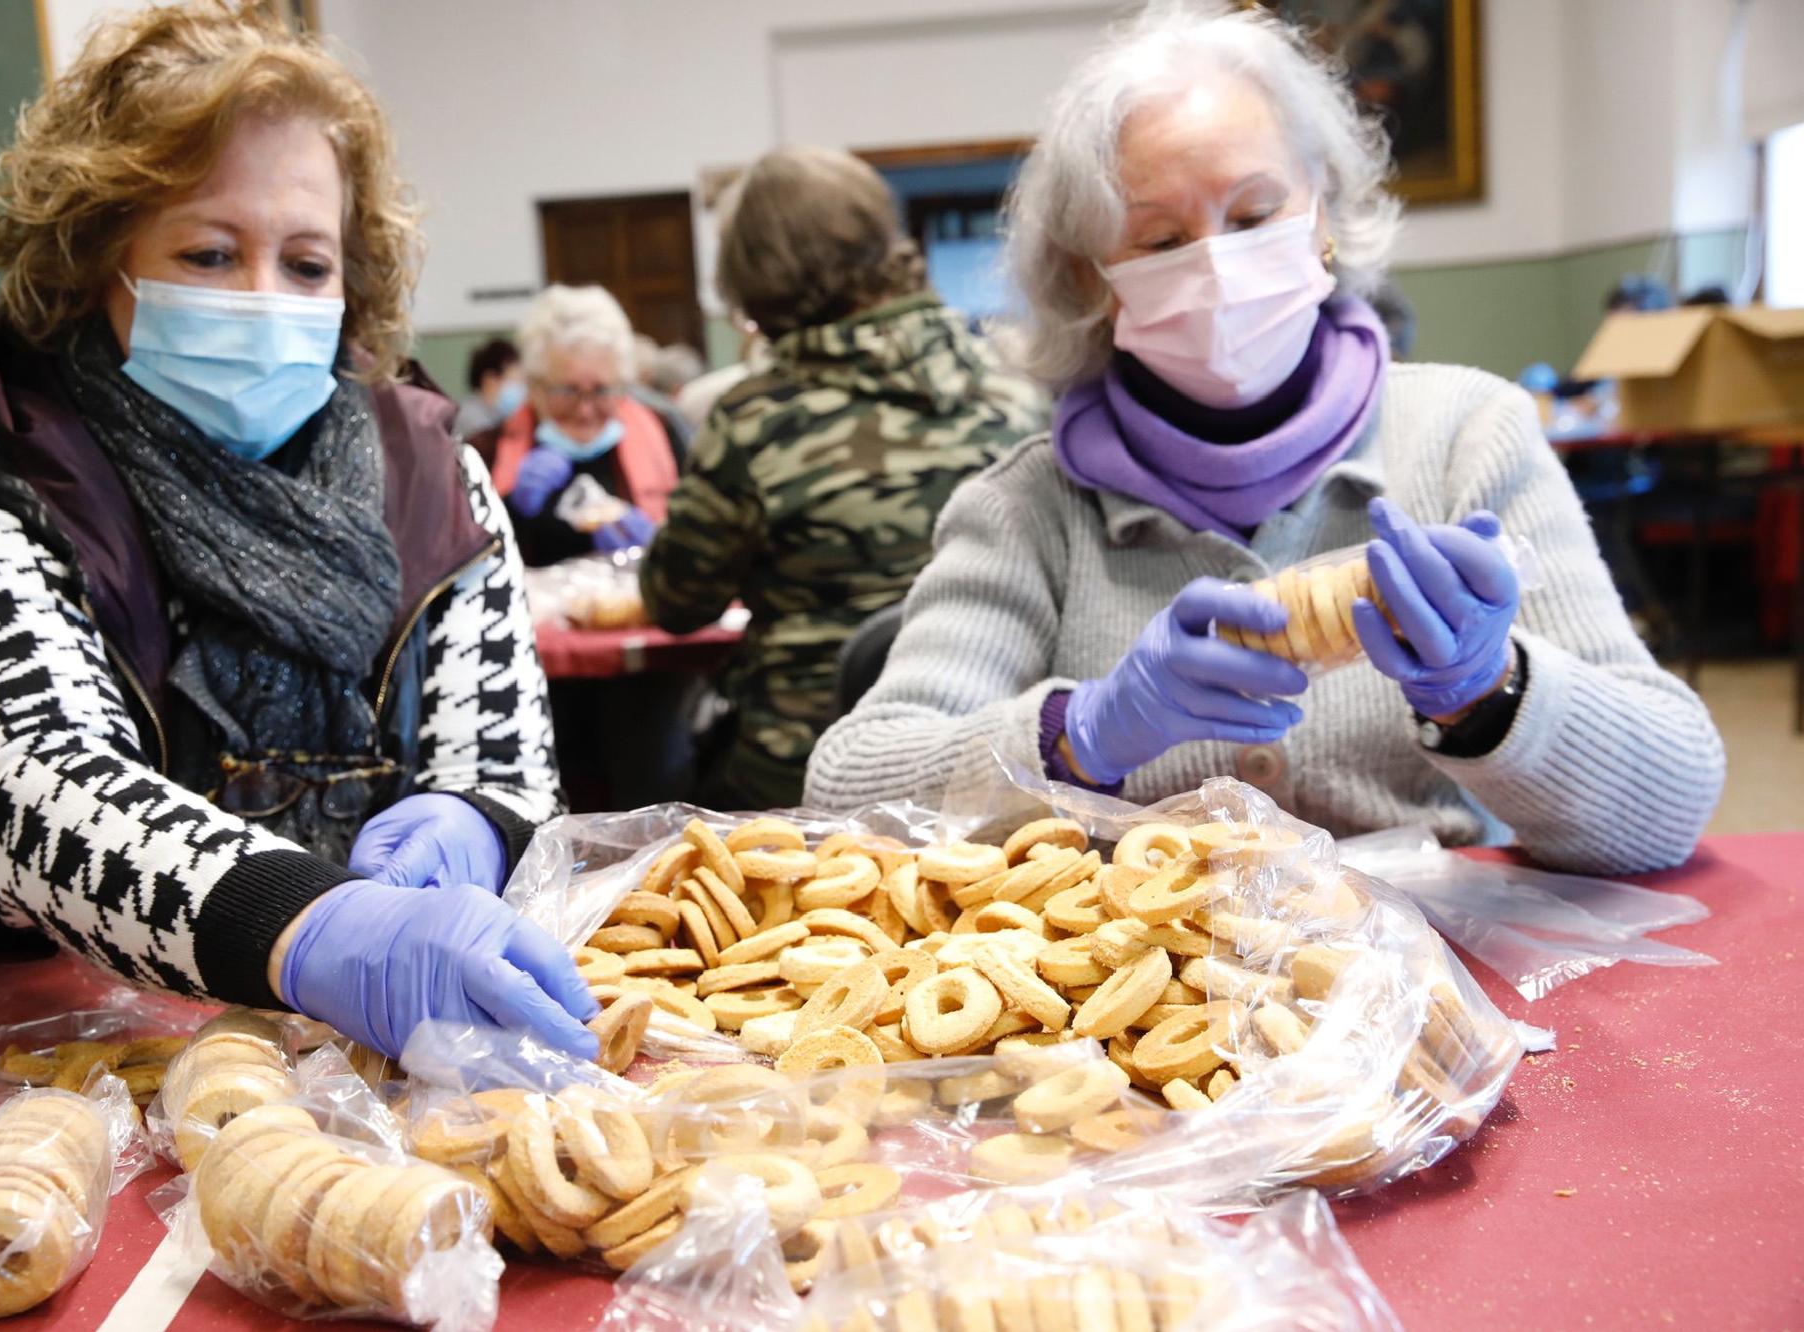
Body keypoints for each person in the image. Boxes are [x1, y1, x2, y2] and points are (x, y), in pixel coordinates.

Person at [0, 2, 596, 1061]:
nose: (265, 299)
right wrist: (316, 924)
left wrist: (474, 822)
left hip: (313, 1062)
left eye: (308, 264)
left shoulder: (432, 483)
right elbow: (31, 787)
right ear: (97, 263)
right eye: (211, 254)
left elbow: (502, 758)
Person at [805, 1, 1724, 875]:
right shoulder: (1027, 510)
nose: (1216, 265)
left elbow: (1670, 802)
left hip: (1457, 991)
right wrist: (1080, 734)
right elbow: (847, 796)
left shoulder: (1467, 437)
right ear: (1096, 279)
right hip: (1145, 1004)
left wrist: (1494, 692)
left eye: (1252, 217)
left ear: (1321, 213)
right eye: (1160, 241)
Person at [641, 146, 1046, 809]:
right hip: (986, 765)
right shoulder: (1015, 384)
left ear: (756, 282)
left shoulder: (750, 419)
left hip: (799, 779)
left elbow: (676, 602)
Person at [478, 285, 681, 566]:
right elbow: (462, 562)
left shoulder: (662, 434)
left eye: (601, 390)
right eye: (568, 391)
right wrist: (510, 508)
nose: (585, 411)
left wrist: (662, 543)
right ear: (536, 387)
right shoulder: (486, 451)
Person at [454, 336, 524, 437]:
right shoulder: (471, 418)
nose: (520, 389)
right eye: (514, 381)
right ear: (490, 381)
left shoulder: (497, 415)